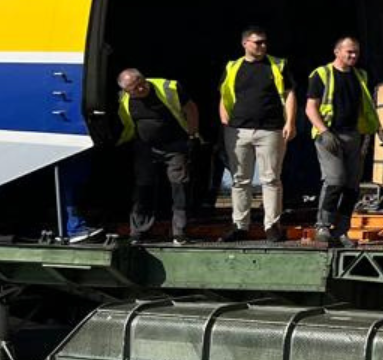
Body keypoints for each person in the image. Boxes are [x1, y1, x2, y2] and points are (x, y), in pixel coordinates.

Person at [305, 36, 383, 249]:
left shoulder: (360, 75)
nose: (353, 56)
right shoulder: (321, 74)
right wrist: (324, 131)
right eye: (349, 52)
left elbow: (366, 106)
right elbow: (311, 107)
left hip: (352, 135)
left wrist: (374, 128)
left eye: (356, 52)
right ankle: (323, 225)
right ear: (337, 51)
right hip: (329, 135)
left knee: (351, 185)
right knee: (335, 179)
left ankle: (341, 231)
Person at [219, 25, 294, 243]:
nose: (262, 45)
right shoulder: (233, 66)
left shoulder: (278, 65)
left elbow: (289, 94)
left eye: (264, 42)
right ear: (245, 44)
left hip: (271, 129)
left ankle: (271, 226)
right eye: (257, 42)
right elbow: (223, 93)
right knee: (239, 179)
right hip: (238, 130)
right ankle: (240, 225)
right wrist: (225, 120)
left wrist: (289, 121)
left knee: (270, 178)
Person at [114, 68, 201, 245]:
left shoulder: (169, 88)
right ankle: (138, 232)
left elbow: (191, 108)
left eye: (142, 83)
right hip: (144, 147)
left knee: (179, 186)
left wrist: (192, 135)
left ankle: (179, 232)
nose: (141, 89)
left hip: (175, 144)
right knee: (143, 187)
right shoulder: (123, 98)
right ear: (126, 91)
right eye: (134, 89)